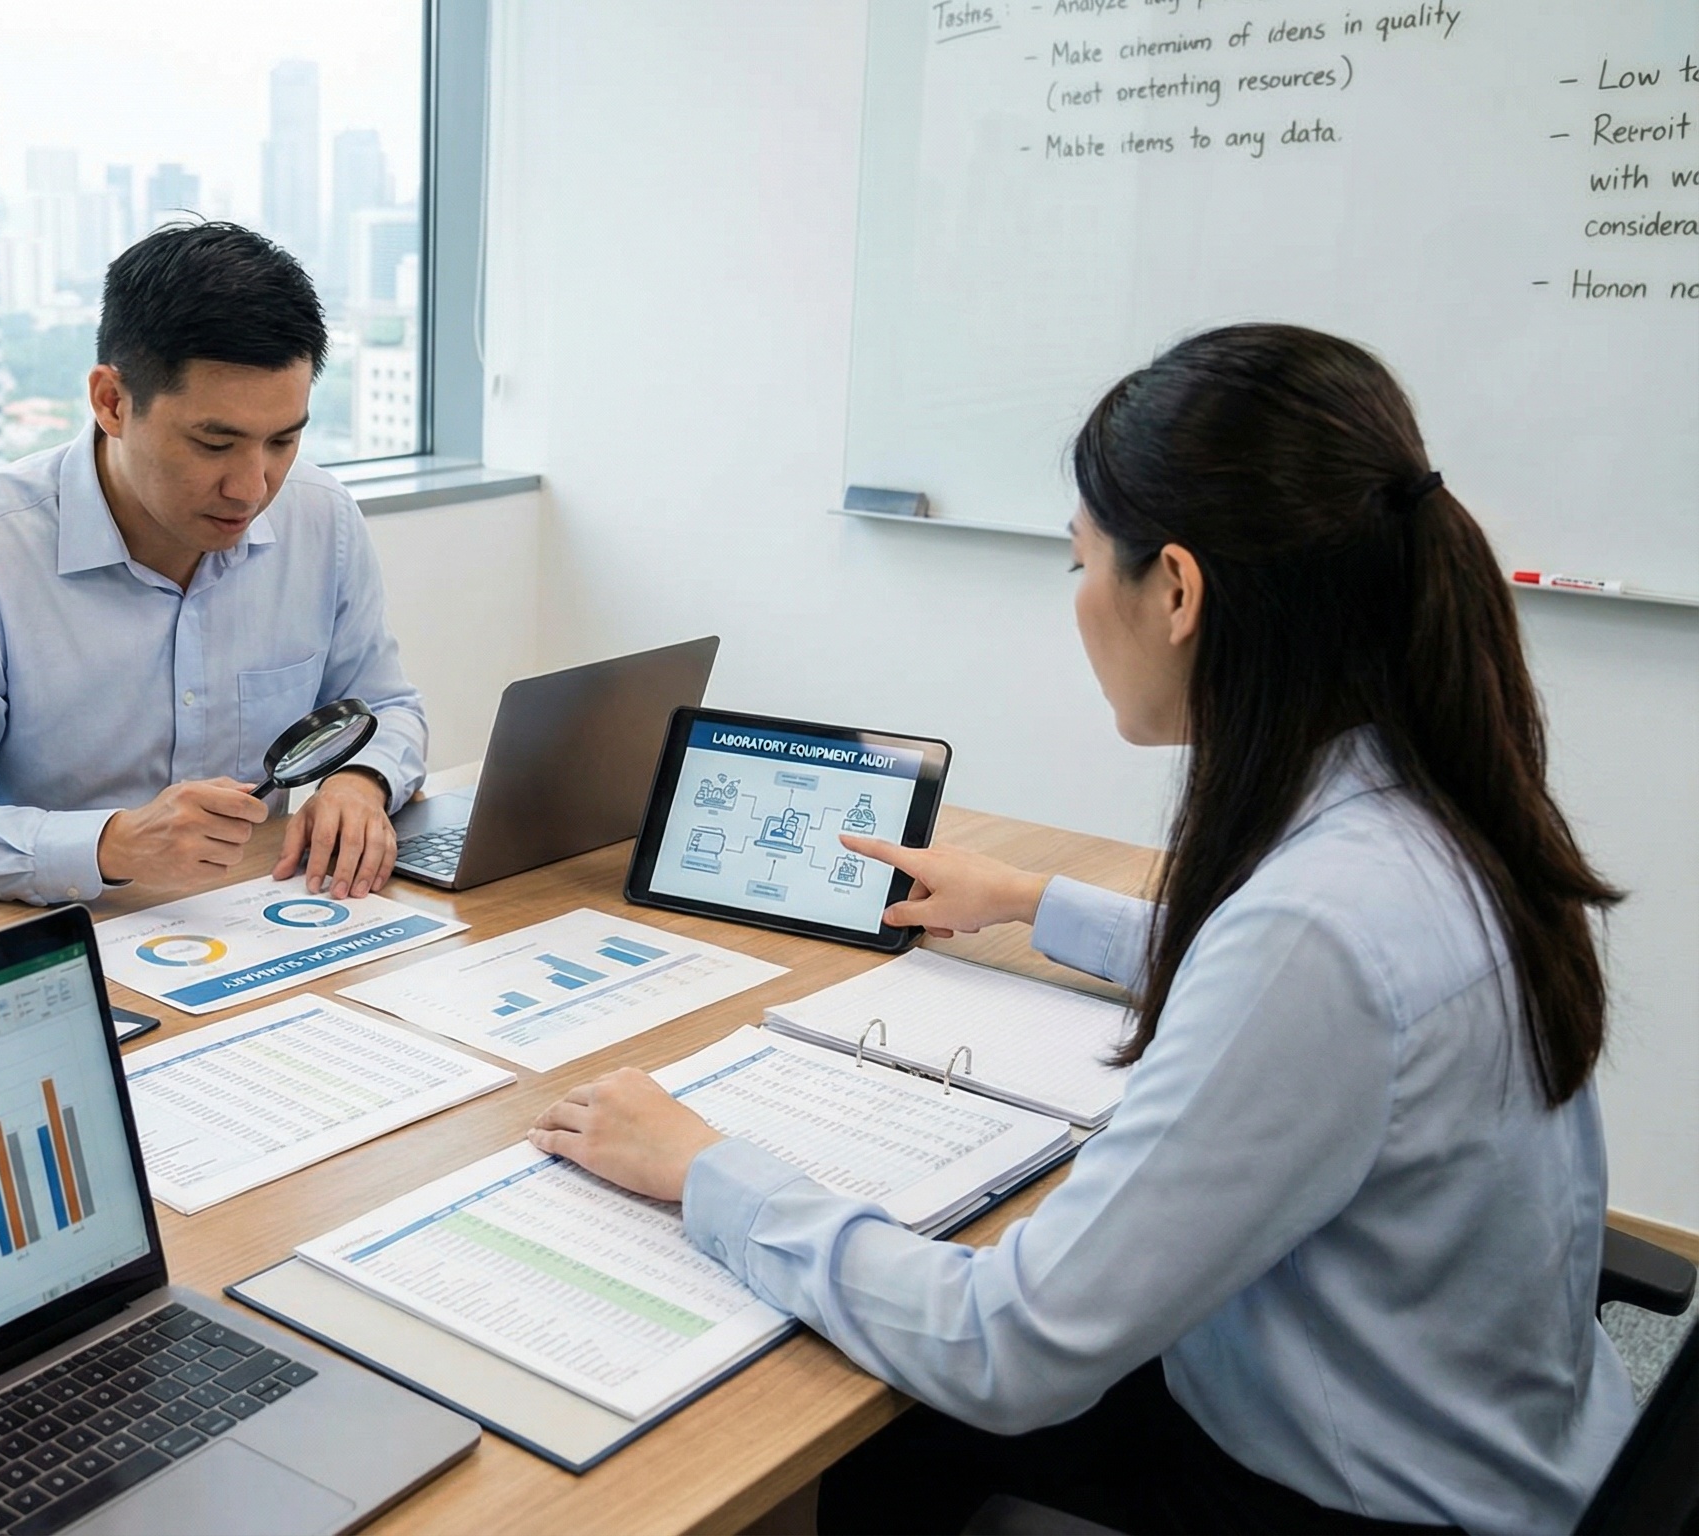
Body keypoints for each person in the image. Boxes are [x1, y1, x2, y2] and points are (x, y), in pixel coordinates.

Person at [526, 325, 1635, 1533]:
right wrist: (1033, 901)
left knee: (854, 1429)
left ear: (1174, 590)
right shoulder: (1418, 799)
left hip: (1357, 1498)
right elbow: (1287, 989)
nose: (1076, 605)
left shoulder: (1318, 931)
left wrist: (702, 1167)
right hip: (1472, 1433)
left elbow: (1007, 1349)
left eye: (1077, 566)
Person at [0, 221, 428, 906]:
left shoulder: (320, 517)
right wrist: (113, 843)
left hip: (251, 918)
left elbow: (386, 707)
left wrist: (362, 781)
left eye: (282, 440)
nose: (252, 486)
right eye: (215, 443)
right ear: (112, 402)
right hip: (58, 946)